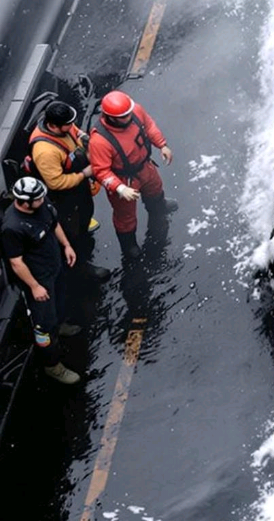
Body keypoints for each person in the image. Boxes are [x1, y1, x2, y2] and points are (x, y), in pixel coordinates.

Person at [1, 176, 81, 385]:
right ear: (24, 202)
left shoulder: (41, 203)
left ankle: (60, 324)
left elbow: (53, 223)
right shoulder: (13, 227)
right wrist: (34, 286)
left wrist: (66, 246)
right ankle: (52, 366)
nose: (43, 200)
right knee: (44, 326)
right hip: (38, 280)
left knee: (60, 302)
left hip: (54, 266)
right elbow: (16, 263)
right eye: (38, 199)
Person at [29, 99, 112, 283]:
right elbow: (56, 183)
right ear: (53, 125)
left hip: (77, 188)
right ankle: (79, 268)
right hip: (63, 198)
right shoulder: (45, 152)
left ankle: (83, 231)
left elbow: (76, 133)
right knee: (70, 232)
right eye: (67, 124)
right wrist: (84, 174)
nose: (71, 125)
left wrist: (88, 141)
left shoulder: (63, 125)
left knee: (85, 213)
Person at [88, 91, 177, 256]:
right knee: (125, 215)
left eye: (128, 113)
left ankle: (159, 207)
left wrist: (162, 144)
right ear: (110, 117)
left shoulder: (135, 110)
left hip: (145, 167)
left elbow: (149, 126)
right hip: (124, 180)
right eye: (123, 116)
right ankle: (128, 245)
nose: (128, 117)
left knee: (155, 189)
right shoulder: (99, 141)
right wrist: (120, 188)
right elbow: (101, 170)